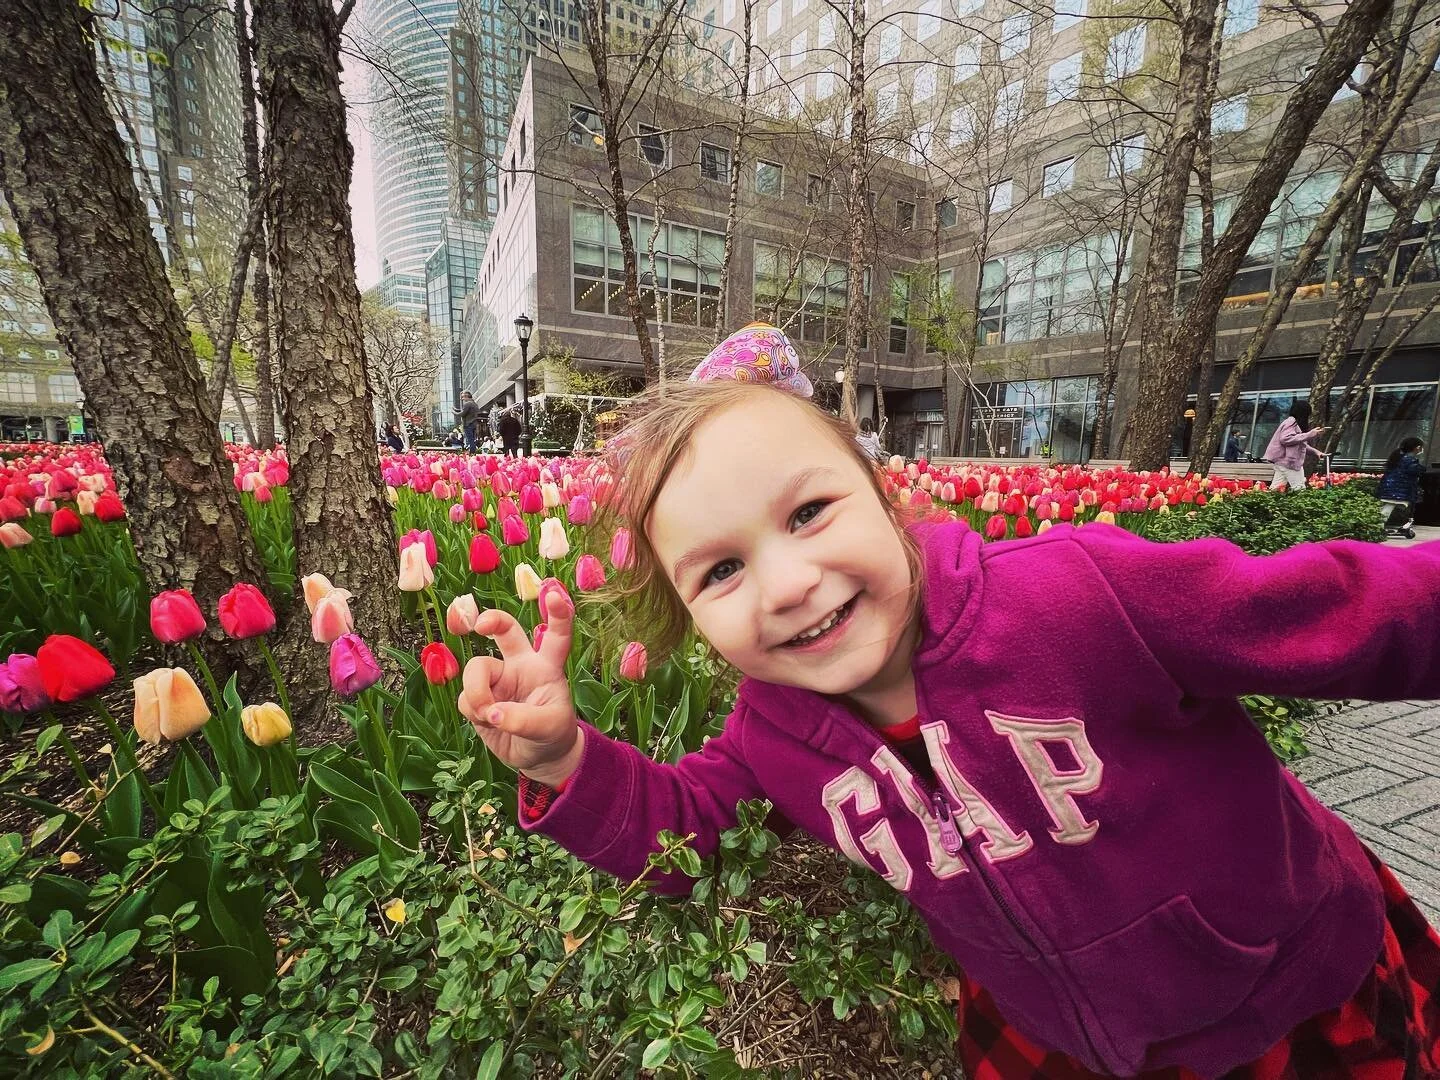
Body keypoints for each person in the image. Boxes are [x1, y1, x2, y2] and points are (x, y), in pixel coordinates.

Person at [457, 321, 1440, 1078]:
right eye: (720, 571)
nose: (788, 584)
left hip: (1285, 987)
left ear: (885, 498)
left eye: (808, 513)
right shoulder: (773, 732)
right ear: (686, 614)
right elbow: (680, 837)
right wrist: (564, 762)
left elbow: (1340, 611)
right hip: (1056, 1037)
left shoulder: (1074, 598)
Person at [1262, 401, 1327, 491]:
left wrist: (1316, 452)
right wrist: (1310, 434)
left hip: (1283, 462)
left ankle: (1263, 503)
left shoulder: (1291, 422)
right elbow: (1285, 439)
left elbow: (1298, 442)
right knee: (1299, 489)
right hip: (1290, 462)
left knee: (1275, 489)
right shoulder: (1291, 422)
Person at [1378, 436, 1427, 516]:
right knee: (1386, 511)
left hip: (1389, 489)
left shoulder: (1398, 457)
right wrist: (1424, 468)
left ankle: (1378, 525)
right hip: (1397, 491)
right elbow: (1416, 469)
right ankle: (1377, 526)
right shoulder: (1409, 460)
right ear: (1418, 447)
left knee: (1386, 509)